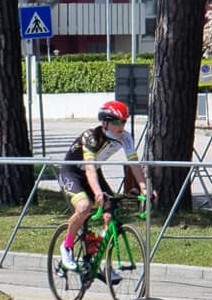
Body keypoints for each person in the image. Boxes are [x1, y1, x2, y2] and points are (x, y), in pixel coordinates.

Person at [58, 100, 154, 273]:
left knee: (111, 213)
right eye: (117, 122)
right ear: (105, 122)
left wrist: (144, 188)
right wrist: (97, 193)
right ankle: (67, 247)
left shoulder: (125, 137)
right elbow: (89, 168)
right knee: (84, 206)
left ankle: (100, 261)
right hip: (72, 173)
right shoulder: (91, 136)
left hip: (94, 172)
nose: (121, 126)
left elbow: (134, 163)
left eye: (124, 121)